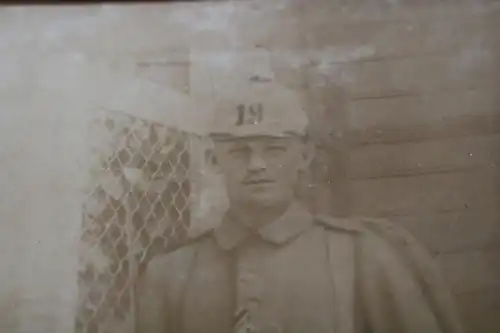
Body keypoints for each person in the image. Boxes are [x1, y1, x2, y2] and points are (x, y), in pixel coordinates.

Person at [135, 82, 464, 333]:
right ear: (212, 160)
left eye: (274, 150)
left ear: (304, 157)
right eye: (239, 152)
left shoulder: (364, 257)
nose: (257, 165)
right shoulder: (170, 275)